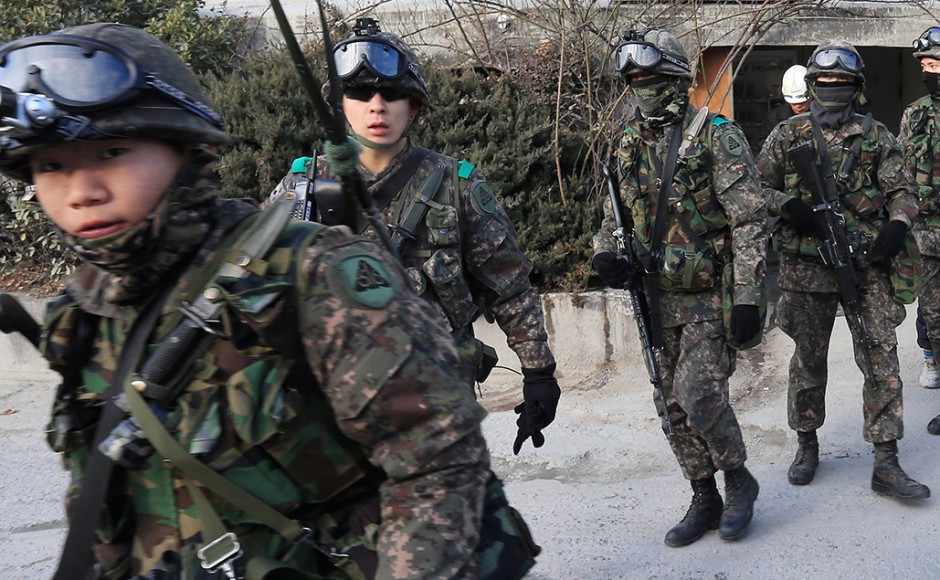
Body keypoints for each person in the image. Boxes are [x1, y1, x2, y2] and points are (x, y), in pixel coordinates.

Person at [0, 23, 537, 579]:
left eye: (112, 152)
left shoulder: (441, 192)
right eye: (51, 166)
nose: (81, 191)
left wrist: (538, 369)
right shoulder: (85, 312)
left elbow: (505, 290)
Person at [272, 17, 560, 455]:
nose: (377, 106)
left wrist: (538, 372)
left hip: (435, 395)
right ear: (339, 104)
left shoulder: (456, 183)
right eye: (360, 94)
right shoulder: (303, 185)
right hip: (332, 397)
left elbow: (509, 287)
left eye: (391, 94)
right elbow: (256, 283)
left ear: (414, 105)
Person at [593, 28, 767, 547]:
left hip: (708, 297)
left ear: (676, 78)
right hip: (653, 297)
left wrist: (750, 297)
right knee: (668, 404)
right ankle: (703, 493)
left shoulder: (717, 136)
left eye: (652, 78)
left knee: (699, 394)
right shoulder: (625, 143)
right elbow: (613, 215)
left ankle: (739, 482)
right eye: (635, 80)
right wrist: (605, 255)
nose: (643, 88)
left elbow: (751, 221)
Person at [758, 40, 931, 499]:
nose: (833, 90)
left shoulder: (875, 136)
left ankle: (886, 459)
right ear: (813, 86)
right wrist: (789, 205)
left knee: (881, 360)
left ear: (856, 87)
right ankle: (807, 443)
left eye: (842, 83)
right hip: (806, 270)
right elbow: (751, 192)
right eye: (825, 83)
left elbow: (903, 190)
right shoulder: (788, 135)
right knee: (808, 364)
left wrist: (897, 225)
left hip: (865, 268)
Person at [899, 26, 940, 431]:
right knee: (933, 315)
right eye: (926, 65)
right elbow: (900, 172)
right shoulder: (915, 113)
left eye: (935, 63)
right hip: (925, 237)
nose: (929, 72)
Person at [757, 64, 812, 148]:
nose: (798, 106)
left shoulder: (823, 116)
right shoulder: (774, 117)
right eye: (794, 103)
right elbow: (763, 145)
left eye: (802, 102)